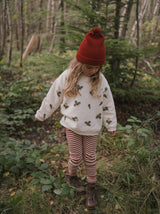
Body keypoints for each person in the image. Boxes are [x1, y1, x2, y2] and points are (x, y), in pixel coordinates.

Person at [35, 28, 117, 209]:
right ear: (80, 62)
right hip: (72, 125)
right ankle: (71, 176)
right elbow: (53, 95)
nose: (93, 70)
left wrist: (111, 124)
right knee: (76, 157)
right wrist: (42, 113)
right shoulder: (68, 76)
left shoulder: (101, 80)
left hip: (92, 128)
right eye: (89, 66)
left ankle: (91, 188)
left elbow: (108, 103)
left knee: (90, 157)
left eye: (97, 67)